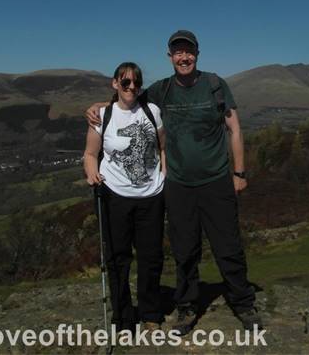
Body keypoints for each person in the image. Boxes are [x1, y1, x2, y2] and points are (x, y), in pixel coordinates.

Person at [86, 31, 262, 334]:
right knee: (184, 249)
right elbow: (128, 99)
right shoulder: (162, 90)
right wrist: (98, 106)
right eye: (178, 52)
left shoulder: (215, 86)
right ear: (170, 57)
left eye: (188, 52)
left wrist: (240, 173)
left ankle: (243, 303)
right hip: (178, 184)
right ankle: (187, 307)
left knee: (228, 245)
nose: (184, 57)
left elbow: (234, 129)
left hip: (217, 179)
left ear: (197, 54)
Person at [83, 62, 166, 332]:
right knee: (118, 258)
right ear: (115, 83)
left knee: (151, 256)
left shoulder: (152, 111)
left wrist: (164, 176)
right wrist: (91, 173)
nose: (131, 87)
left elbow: (163, 147)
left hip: (151, 196)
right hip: (114, 196)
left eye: (136, 83)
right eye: (125, 82)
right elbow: (90, 154)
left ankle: (151, 312)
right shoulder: (103, 116)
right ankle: (123, 317)